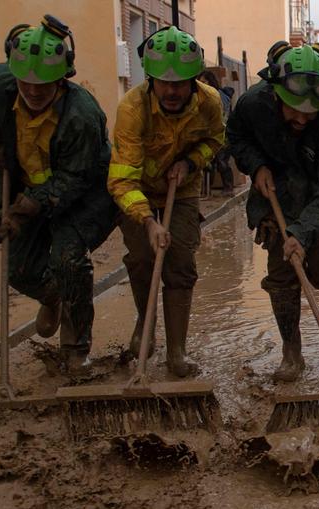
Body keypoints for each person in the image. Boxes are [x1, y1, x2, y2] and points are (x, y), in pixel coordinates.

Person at [0, 16, 118, 371]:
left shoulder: (82, 115)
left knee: (68, 260)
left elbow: (74, 178)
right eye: (26, 82)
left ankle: (76, 349)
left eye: (44, 84)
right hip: (26, 177)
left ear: (62, 77)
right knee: (16, 267)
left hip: (84, 191)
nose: (34, 91)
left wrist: (30, 206)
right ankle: (56, 298)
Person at [225, 42, 319, 382]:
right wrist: (256, 166)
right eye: (294, 109)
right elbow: (236, 137)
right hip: (277, 196)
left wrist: (301, 232)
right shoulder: (252, 104)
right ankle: (291, 352)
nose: (302, 118)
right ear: (276, 92)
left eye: (310, 112)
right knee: (282, 277)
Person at [107, 27, 225, 377]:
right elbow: (122, 179)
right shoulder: (132, 108)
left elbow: (216, 140)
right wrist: (148, 221)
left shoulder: (209, 102)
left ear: (194, 79)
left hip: (182, 188)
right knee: (143, 258)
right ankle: (146, 326)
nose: (172, 90)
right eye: (163, 82)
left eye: (180, 82)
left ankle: (177, 351)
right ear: (151, 78)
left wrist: (189, 162)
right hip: (138, 190)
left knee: (180, 262)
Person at [199, 69, 238, 197]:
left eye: (203, 81)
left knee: (222, 161)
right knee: (207, 163)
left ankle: (228, 188)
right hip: (207, 134)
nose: (201, 83)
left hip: (222, 135)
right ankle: (206, 190)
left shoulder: (219, 96)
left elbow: (223, 117)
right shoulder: (201, 95)